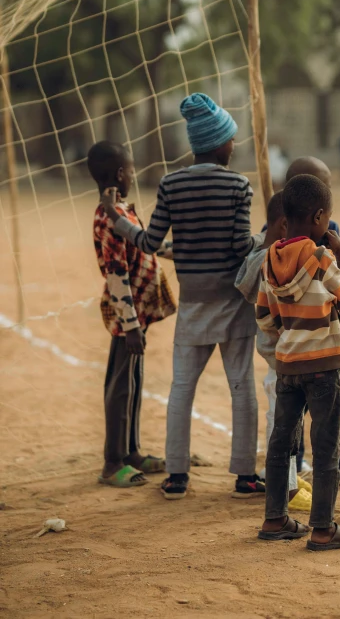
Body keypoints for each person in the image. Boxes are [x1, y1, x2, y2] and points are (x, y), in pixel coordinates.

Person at [101, 93, 264, 500]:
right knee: (241, 387)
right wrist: (266, 240)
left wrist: (117, 220)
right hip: (231, 303)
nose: (234, 145)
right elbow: (240, 247)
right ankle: (244, 475)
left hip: (193, 304)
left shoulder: (171, 184)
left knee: (181, 389)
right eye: (231, 139)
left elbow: (151, 241)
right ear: (220, 143)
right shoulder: (238, 185)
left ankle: (176, 475)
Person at [256, 174, 340, 550]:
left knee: (281, 442)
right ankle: (321, 528)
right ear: (319, 217)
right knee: (326, 444)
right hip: (324, 366)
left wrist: (287, 341)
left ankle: (274, 519)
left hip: (288, 365)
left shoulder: (269, 258)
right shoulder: (321, 256)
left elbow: (265, 318)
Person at [88, 141, 177, 488]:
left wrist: (188, 251)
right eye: (132, 169)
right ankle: (113, 462)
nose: (134, 175)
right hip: (128, 317)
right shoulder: (106, 216)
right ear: (121, 174)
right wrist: (130, 325)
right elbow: (116, 272)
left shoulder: (121, 211)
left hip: (138, 312)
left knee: (134, 380)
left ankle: (132, 451)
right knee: (120, 384)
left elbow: (146, 245)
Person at [278, 157, 340, 484]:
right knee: (332, 408)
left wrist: (275, 337)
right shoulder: (328, 233)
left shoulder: (274, 235)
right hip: (327, 342)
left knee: (291, 412)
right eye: (325, 186)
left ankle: (296, 464)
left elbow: (265, 303)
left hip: (289, 344)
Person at [235, 191, 313, 513]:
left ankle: (286, 475)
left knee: (287, 420)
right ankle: (288, 489)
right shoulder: (272, 262)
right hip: (281, 356)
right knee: (280, 421)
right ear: (285, 227)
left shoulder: (267, 256)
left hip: (281, 354)